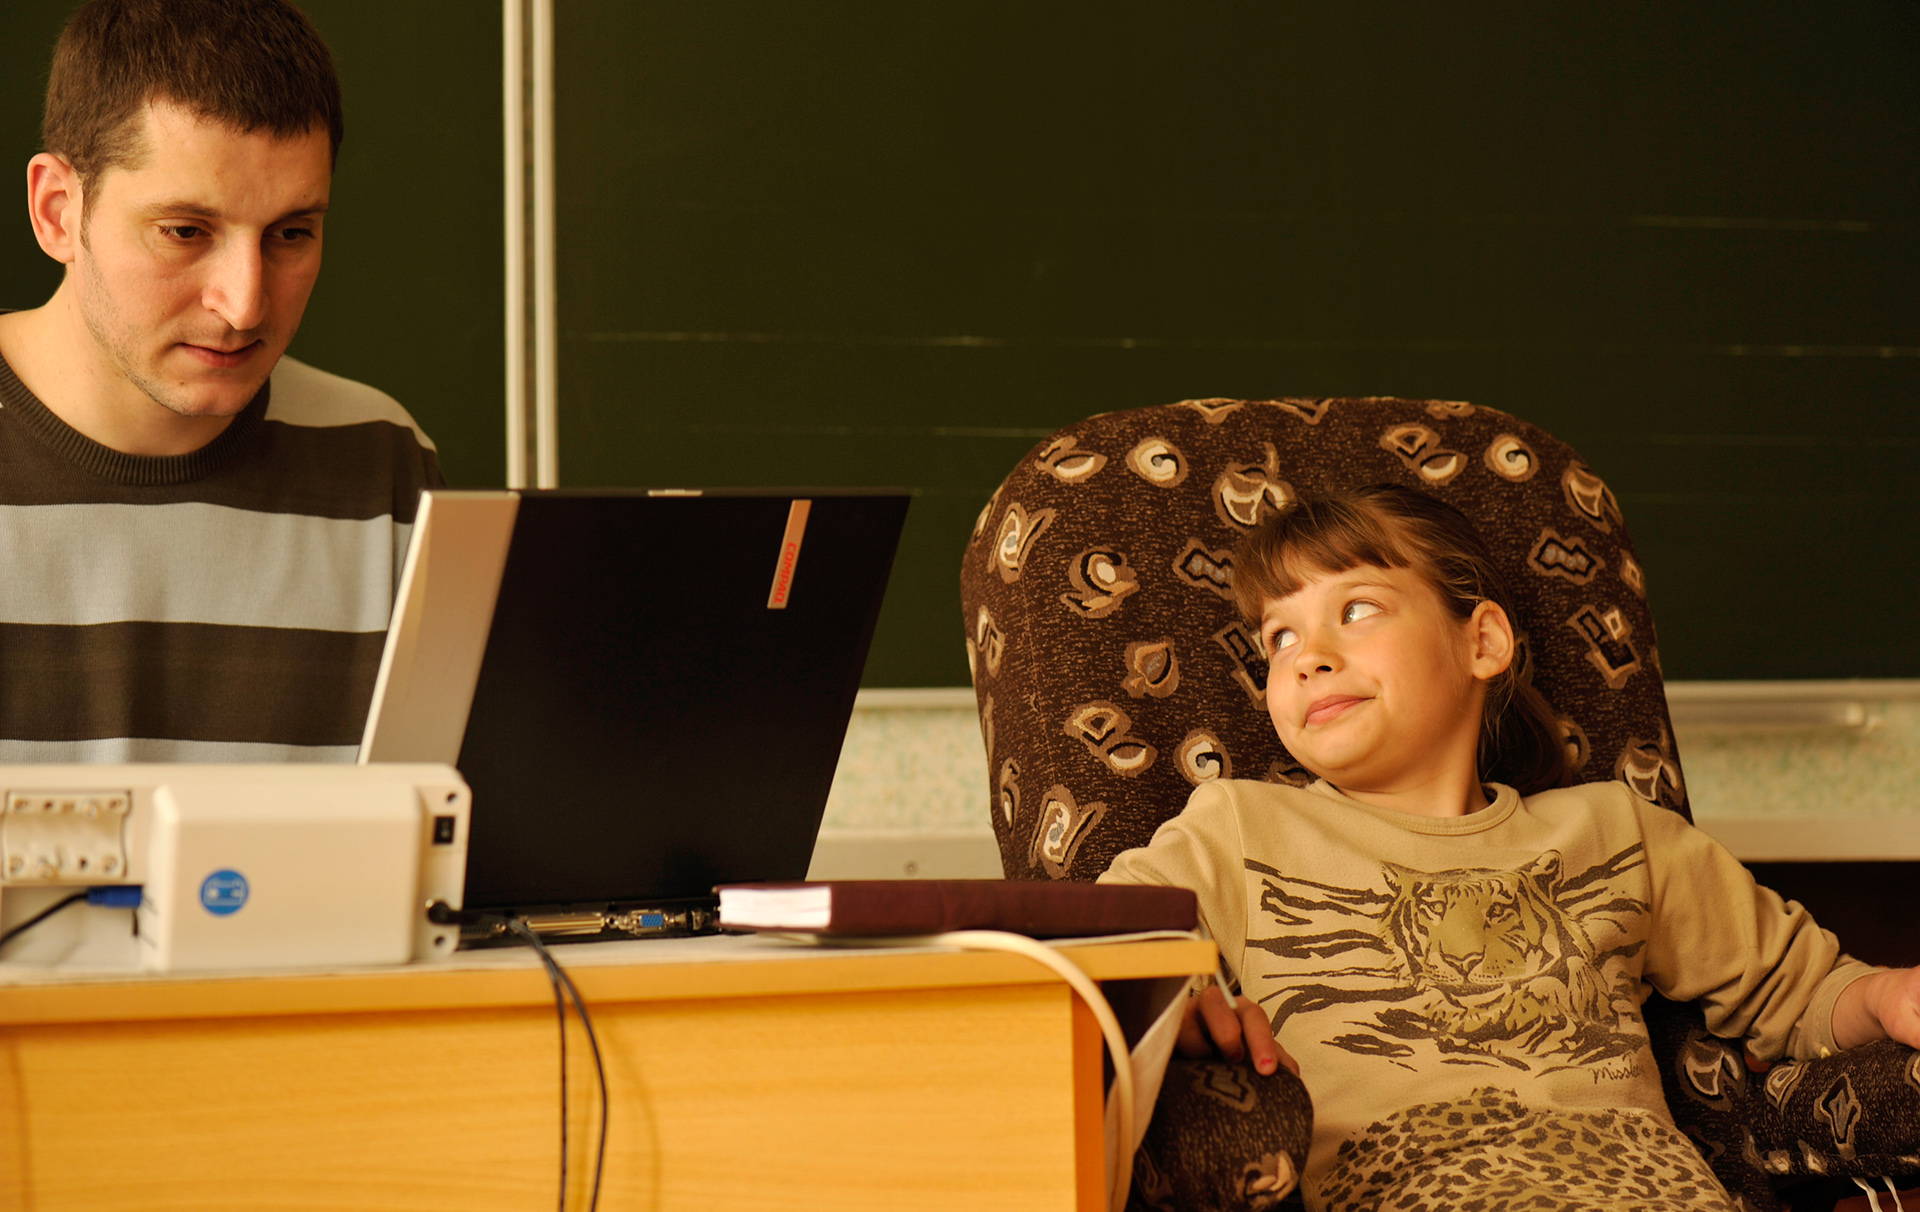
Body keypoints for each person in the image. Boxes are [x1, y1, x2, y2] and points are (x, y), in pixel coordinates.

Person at [1101, 484, 1920, 1211]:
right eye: (1278, 638)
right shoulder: (1239, 828)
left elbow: (1802, 991)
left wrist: (1885, 994)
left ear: (1481, 642)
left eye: (1356, 609)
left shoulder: (1618, 830)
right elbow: (1077, 952)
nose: (1308, 657)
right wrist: (1167, 1004)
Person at [0, 0, 442, 762]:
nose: (244, 304)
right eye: (185, 232)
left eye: (291, 234)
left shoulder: (381, 463)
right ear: (57, 212)